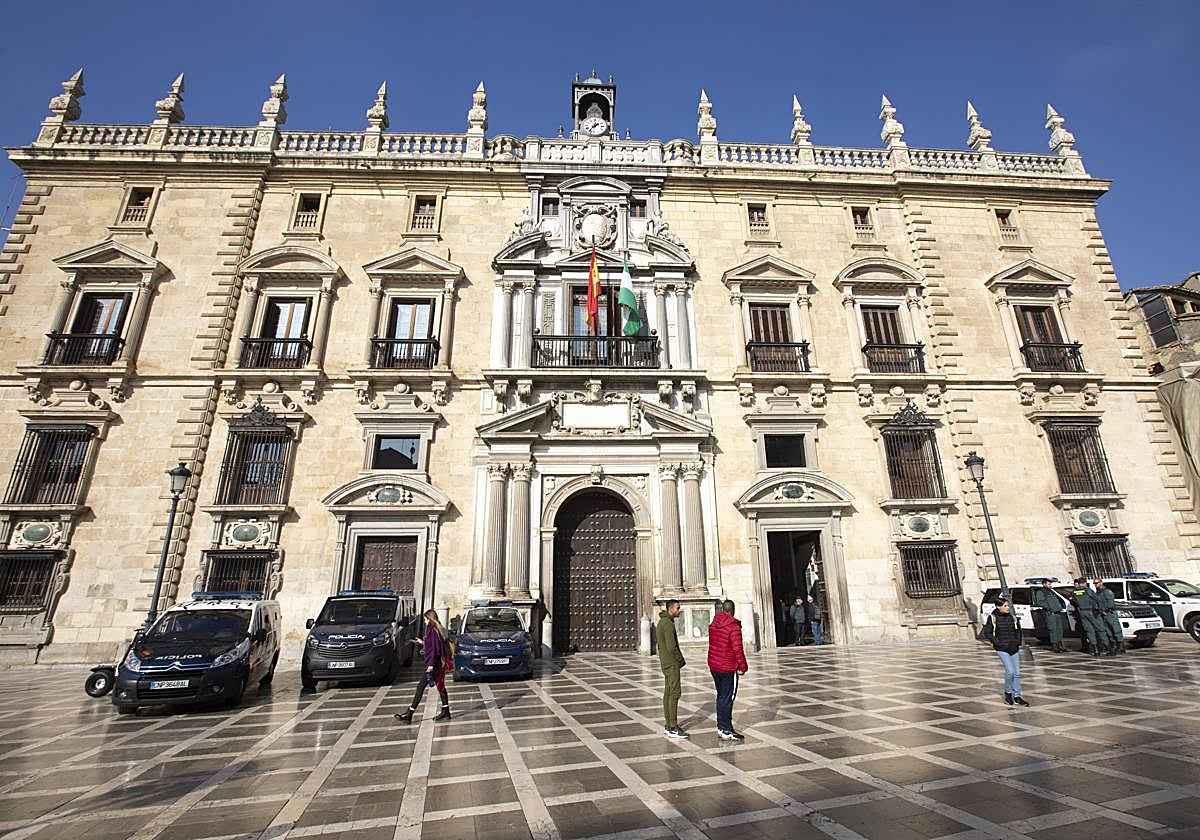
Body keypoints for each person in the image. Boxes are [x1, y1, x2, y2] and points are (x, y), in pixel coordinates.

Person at [395, 610, 451, 724]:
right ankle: (446, 710)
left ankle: (409, 714)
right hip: (436, 664)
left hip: (434, 664)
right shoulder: (435, 630)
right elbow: (433, 645)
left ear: (429, 619)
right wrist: (422, 642)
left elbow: (435, 650)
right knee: (441, 687)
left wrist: (430, 665)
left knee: (420, 687)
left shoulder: (433, 630)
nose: (424, 622)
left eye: (425, 619)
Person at [707, 599, 748, 741]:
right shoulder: (733, 627)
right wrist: (743, 667)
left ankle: (721, 726)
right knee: (727, 697)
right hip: (727, 666)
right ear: (733, 610)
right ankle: (726, 729)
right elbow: (738, 649)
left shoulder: (713, 625)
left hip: (714, 665)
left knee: (721, 696)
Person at [979, 597, 1029, 706]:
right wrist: (997, 642)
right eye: (1005, 606)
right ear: (998, 606)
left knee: (1017, 673)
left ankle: (1017, 696)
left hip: (1013, 647)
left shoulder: (1013, 618)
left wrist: (1017, 642)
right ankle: (1008, 693)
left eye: (1008, 606)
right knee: (1010, 671)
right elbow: (988, 633)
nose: (1007, 608)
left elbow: (1018, 631)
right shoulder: (993, 618)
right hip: (1002, 648)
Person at [656, 599, 688, 739]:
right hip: (672, 663)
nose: (679, 610)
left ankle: (669, 724)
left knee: (668, 693)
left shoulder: (661, 622)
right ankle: (673, 726)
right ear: (670, 609)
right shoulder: (668, 624)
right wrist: (680, 659)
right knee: (675, 693)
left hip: (665, 662)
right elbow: (671, 647)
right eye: (677, 608)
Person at [1069, 577, 1108, 656]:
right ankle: (1107, 647)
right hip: (1092, 611)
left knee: (1089, 631)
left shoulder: (1074, 592)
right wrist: (1101, 610)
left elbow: (1073, 600)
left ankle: (1095, 650)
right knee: (1100, 629)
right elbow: (1097, 599)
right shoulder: (1088, 591)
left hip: (1082, 612)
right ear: (1085, 583)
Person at [1031, 578, 1067, 652]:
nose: (1050, 585)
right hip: (1050, 613)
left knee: (1059, 630)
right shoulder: (1041, 592)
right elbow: (1041, 602)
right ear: (1044, 584)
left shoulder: (1051, 591)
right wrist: (1050, 608)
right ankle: (1055, 646)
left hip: (1057, 613)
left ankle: (1060, 645)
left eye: (1050, 584)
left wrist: (1059, 607)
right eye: (1048, 584)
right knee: (1053, 630)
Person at [1093, 577, 1125, 655]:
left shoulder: (1107, 592)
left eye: (1096, 583)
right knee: (1108, 631)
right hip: (1102, 615)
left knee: (1116, 630)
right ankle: (1113, 646)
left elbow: (1111, 603)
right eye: (1094, 583)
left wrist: (1106, 611)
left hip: (1109, 614)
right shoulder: (1097, 593)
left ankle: (1120, 646)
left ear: (1101, 582)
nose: (1095, 585)